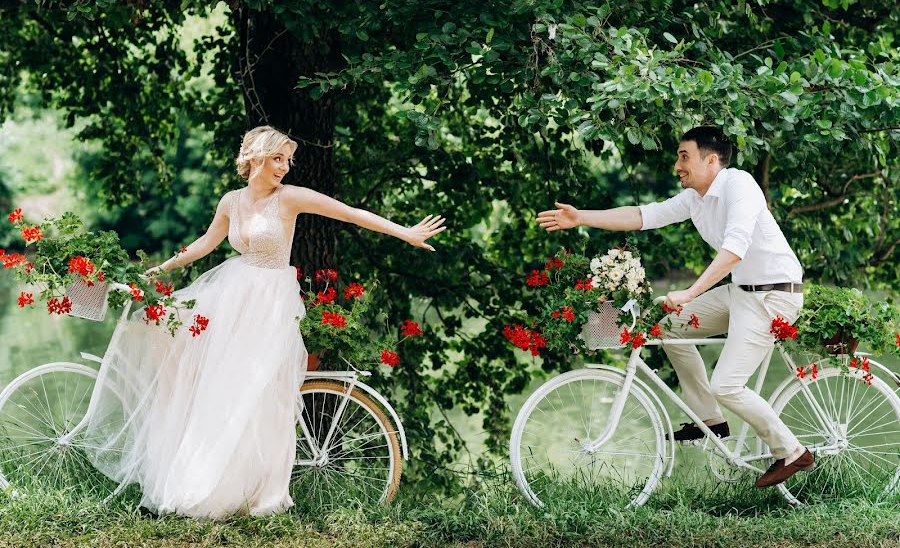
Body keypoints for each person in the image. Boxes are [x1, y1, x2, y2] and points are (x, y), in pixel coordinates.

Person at [83, 125, 446, 519]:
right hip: (233, 292)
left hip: (271, 302)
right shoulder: (231, 202)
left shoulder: (289, 199)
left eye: (288, 160)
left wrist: (404, 232)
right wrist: (162, 268)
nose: (284, 168)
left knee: (260, 395)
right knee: (199, 371)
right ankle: (198, 479)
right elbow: (206, 243)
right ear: (255, 157)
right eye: (278, 158)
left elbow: (350, 213)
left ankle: (259, 494)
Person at [535, 126, 812, 488]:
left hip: (774, 294)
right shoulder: (696, 198)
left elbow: (734, 250)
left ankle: (792, 451)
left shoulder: (739, 185)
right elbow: (642, 215)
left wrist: (691, 292)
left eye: (684, 157)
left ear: (711, 160)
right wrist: (582, 217)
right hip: (742, 292)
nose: (676, 166)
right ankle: (710, 420)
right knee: (666, 325)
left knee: (727, 384)